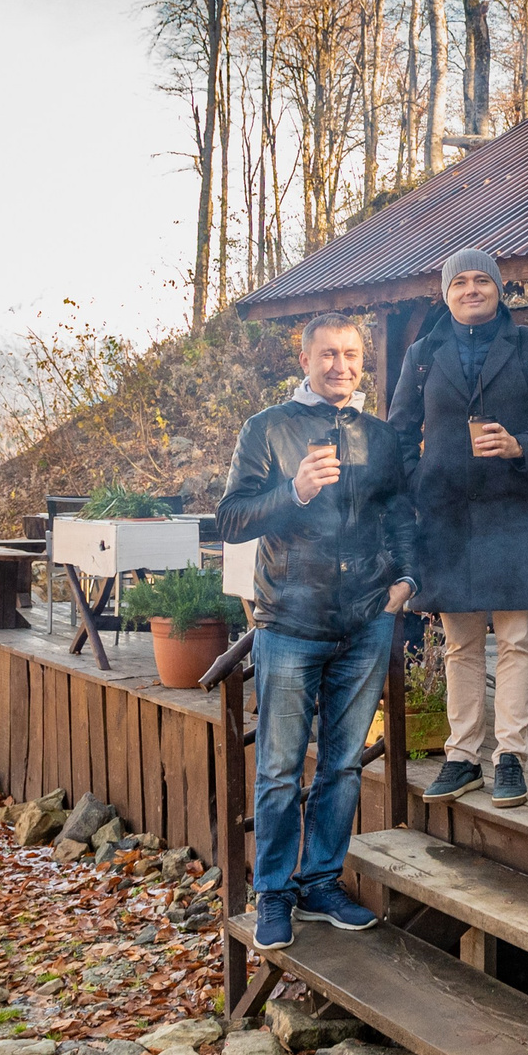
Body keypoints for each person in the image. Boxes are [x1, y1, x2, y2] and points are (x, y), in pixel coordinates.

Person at [215, 312, 418, 952]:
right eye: (327, 354)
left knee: (343, 766)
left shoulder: (380, 438)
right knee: (278, 769)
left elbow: (401, 518)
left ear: (363, 361)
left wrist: (407, 581)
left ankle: (321, 882)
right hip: (291, 622)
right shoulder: (267, 430)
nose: (341, 365)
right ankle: (273, 893)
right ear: (304, 360)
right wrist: (294, 491)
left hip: (364, 623)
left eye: (351, 354)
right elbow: (231, 519)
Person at [388, 248, 528, 810]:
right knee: (460, 644)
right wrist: (421, 479)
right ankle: (461, 755)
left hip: (515, 513)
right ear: (445, 294)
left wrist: (523, 445)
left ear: (500, 289)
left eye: (482, 281)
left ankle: (511, 758)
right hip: (445, 519)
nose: (472, 290)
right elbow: (399, 435)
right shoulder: (423, 356)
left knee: (518, 640)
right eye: (460, 283)